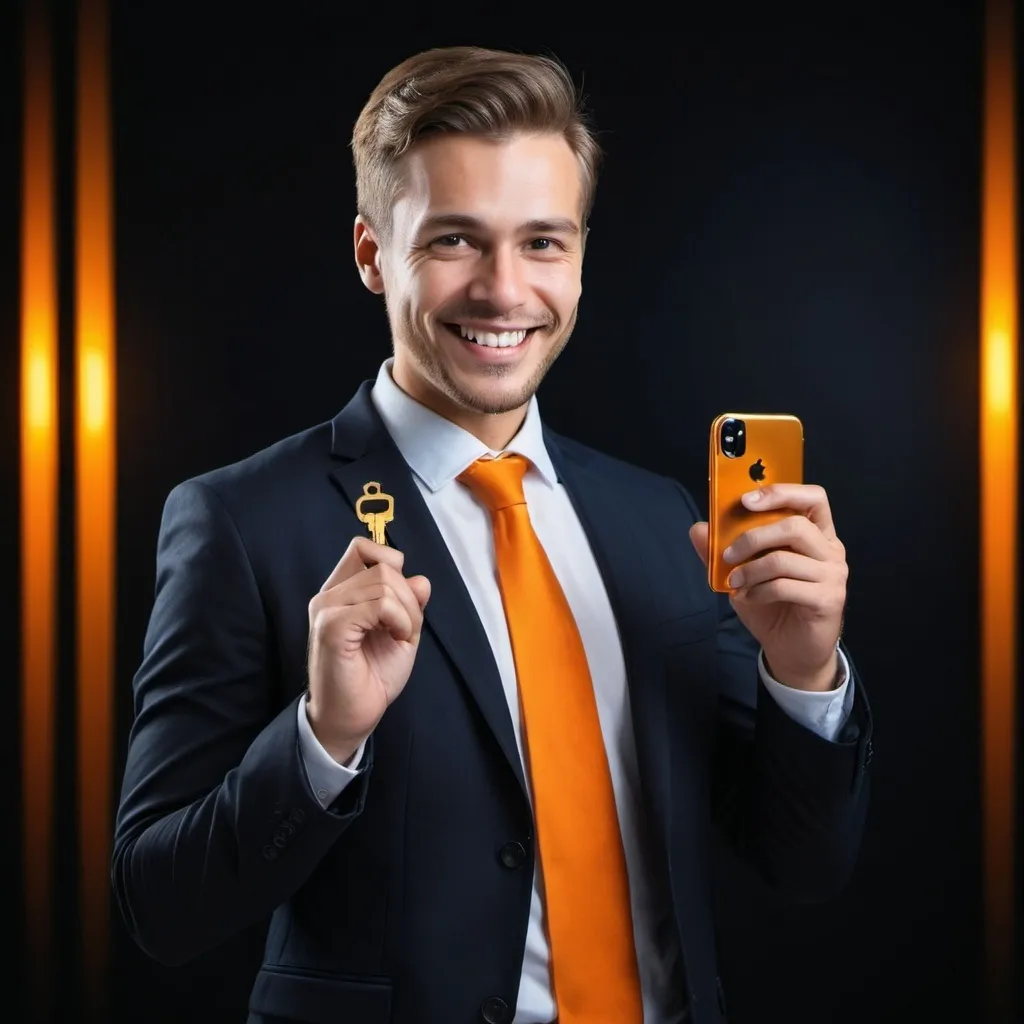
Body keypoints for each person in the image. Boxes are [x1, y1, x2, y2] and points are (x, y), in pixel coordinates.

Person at [112, 46, 872, 1024]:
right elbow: (159, 904)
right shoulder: (241, 522)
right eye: (455, 241)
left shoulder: (660, 520)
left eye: (543, 242)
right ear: (370, 252)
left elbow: (804, 863)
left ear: (582, 256)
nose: (504, 291)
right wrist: (322, 735)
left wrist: (803, 674)